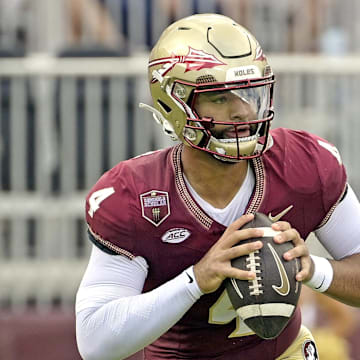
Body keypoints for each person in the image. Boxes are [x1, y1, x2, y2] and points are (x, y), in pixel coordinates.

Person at [75, 13, 360, 360]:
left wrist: (314, 269)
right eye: (221, 97)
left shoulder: (304, 163)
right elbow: (94, 344)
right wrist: (195, 280)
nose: (241, 110)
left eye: (248, 93)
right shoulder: (136, 194)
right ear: (174, 102)